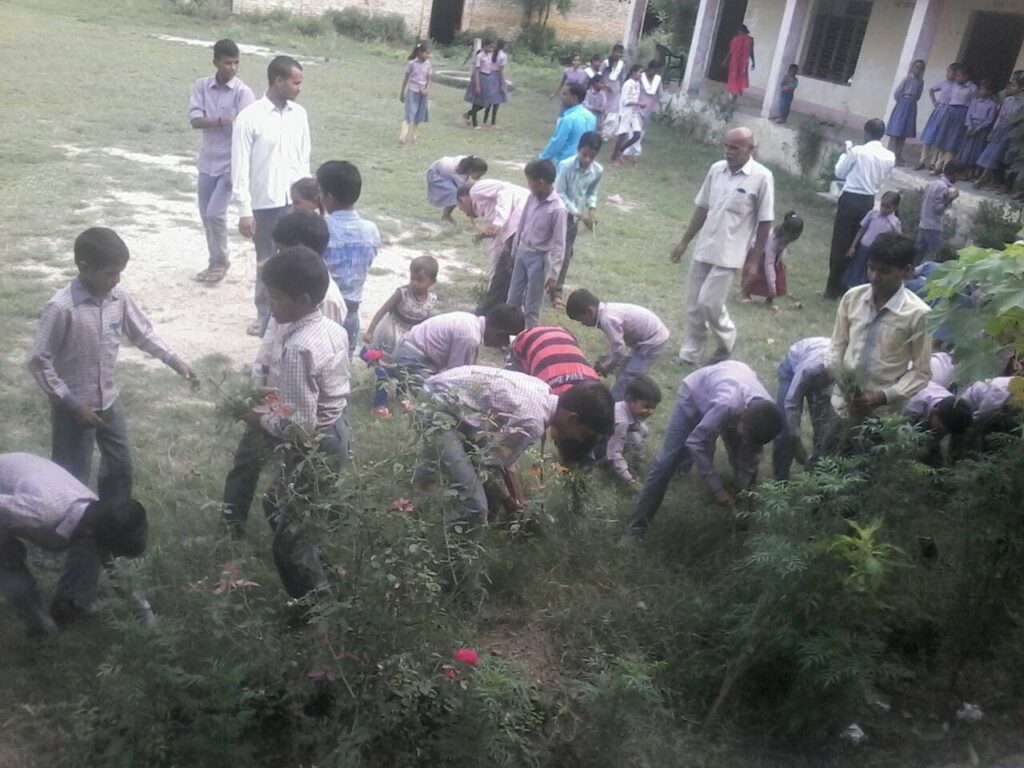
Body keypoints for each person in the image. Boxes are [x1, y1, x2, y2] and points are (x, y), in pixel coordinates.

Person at [28, 228, 198, 503]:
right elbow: (39, 361)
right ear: (85, 268)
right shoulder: (61, 308)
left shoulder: (118, 299)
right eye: (110, 273)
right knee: (72, 475)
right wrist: (72, 404)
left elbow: (143, 334)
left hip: (108, 400)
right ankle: (70, 523)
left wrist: (174, 360)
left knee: (120, 467)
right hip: (73, 410)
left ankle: (113, 518)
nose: (116, 279)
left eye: (120, 273)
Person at [414, 367, 614, 596]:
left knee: (482, 497)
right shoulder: (533, 422)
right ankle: (457, 585)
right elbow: (487, 466)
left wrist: (516, 499)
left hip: (446, 397)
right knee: (476, 508)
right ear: (573, 419)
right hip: (438, 407)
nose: (579, 440)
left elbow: (504, 455)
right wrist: (509, 500)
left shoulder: (544, 393)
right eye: (584, 434)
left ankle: (421, 528)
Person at [232, 246, 351, 598]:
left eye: (275, 297)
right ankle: (320, 563)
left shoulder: (299, 347)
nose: (269, 304)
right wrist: (276, 397)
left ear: (302, 300)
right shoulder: (332, 329)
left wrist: (257, 419)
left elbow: (299, 429)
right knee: (275, 502)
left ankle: (318, 610)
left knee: (288, 546)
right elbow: (318, 389)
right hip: (337, 429)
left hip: (318, 446)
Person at [0, 453, 148, 637]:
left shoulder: (97, 517)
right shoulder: (40, 513)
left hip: (25, 482)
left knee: (90, 553)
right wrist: (5, 542)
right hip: (7, 488)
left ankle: (66, 606)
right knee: (11, 566)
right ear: (89, 536)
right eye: (109, 551)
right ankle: (43, 632)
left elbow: (115, 566)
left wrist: (145, 616)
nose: (111, 558)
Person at [627, 361, 783, 535]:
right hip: (695, 396)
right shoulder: (726, 404)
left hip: (732, 381)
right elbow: (696, 442)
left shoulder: (767, 410)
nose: (745, 440)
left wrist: (746, 483)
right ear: (742, 417)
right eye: (745, 435)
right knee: (667, 462)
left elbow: (751, 455)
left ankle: (741, 519)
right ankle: (637, 527)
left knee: (743, 459)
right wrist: (717, 488)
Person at [671, 127, 774, 365]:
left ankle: (727, 340)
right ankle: (690, 354)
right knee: (694, 305)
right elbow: (702, 207)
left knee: (710, 303)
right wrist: (684, 241)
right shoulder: (716, 170)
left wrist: (754, 261)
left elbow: (765, 221)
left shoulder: (762, 177)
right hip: (705, 246)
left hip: (729, 253)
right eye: (726, 146)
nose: (728, 151)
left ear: (750, 149)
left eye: (735, 148)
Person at [231, 55, 311, 336]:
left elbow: (303, 158)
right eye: (295, 82)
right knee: (266, 262)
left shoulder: (299, 115)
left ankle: (291, 316)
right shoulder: (249, 118)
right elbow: (239, 167)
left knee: (293, 261)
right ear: (278, 81)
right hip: (263, 205)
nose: (300, 88)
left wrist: (308, 200)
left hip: (294, 204)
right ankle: (264, 315)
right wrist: (244, 209)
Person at [826, 233, 931, 426]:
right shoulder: (852, 298)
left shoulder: (918, 314)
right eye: (871, 268)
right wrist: (836, 372)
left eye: (885, 271)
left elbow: (921, 372)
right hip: (841, 405)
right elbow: (838, 344)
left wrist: (883, 396)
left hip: (881, 418)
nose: (875, 277)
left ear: (907, 272)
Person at [250, 211, 348, 397]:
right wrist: (259, 377)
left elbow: (321, 363)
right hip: (276, 391)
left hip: (298, 398)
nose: (278, 257)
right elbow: (271, 339)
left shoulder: (326, 301)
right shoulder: (284, 294)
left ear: (303, 253)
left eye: (282, 251)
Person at [189, 38, 256, 284]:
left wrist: (235, 171)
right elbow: (195, 120)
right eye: (228, 63)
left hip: (230, 165)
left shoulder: (243, 93)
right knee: (206, 216)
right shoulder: (201, 87)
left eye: (236, 63)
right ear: (215, 62)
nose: (232, 68)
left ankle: (221, 260)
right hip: (207, 162)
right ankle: (213, 261)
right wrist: (222, 120)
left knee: (215, 214)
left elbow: (247, 134)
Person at [824, 118, 895, 299]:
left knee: (840, 243)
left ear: (866, 133)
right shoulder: (890, 156)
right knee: (857, 244)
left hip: (850, 198)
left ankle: (832, 288)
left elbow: (840, 172)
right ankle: (846, 285)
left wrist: (845, 154)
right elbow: (883, 178)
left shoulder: (857, 151)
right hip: (868, 200)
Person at [317, 160, 381, 354]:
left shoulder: (321, 228)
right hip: (351, 312)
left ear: (328, 197)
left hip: (322, 312)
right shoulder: (371, 230)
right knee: (343, 364)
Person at [362, 256, 439, 417]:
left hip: (410, 340)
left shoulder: (431, 300)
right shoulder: (402, 293)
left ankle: (402, 398)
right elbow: (382, 311)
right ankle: (379, 404)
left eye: (420, 280)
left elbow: (426, 324)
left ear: (432, 282)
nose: (414, 283)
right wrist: (370, 331)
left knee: (406, 369)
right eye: (412, 278)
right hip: (391, 336)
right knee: (384, 370)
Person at [565, 288, 670, 401]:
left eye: (581, 319)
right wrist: (609, 359)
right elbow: (617, 346)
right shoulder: (607, 311)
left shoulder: (607, 319)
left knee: (628, 376)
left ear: (589, 311)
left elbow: (619, 350)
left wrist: (606, 367)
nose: (582, 324)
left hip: (652, 341)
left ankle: (614, 404)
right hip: (643, 339)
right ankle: (623, 399)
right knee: (623, 372)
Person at [392, 305, 525, 382]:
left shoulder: (471, 321)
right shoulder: (470, 337)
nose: (503, 346)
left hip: (409, 351)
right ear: (498, 333)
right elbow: (456, 377)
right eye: (504, 341)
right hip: (410, 359)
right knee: (438, 399)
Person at [507, 160, 568, 329]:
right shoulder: (531, 198)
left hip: (539, 259)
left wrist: (554, 276)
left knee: (532, 305)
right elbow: (521, 225)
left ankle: (530, 336)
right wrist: (513, 253)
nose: (528, 185)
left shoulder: (558, 209)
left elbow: (559, 245)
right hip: (521, 252)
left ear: (539, 182)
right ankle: (509, 333)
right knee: (512, 299)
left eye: (530, 181)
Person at [456, 179, 531, 315]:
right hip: (520, 227)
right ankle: (501, 311)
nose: (464, 212)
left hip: (524, 219)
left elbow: (505, 189)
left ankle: (487, 313)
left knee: (504, 275)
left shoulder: (476, 190)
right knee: (507, 273)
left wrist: (498, 222)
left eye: (461, 208)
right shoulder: (489, 207)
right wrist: (493, 272)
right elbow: (497, 245)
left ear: (462, 200)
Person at [551, 131, 604, 308]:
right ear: (578, 149)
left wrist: (592, 209)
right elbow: (559, 193)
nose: (587, 159)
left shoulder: (597, 170)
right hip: (557, 214)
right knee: (549, 251)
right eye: (585, 154)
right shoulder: (565, 165)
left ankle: (556, 291)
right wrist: (579, 214)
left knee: (566, 255)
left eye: (592, 156)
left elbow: (592, 192)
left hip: (573, 220)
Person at [772, 336, 833, 481]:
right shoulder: (810, 369)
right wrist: (795, 440)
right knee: (785, 429)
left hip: (822, 367)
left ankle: (815, 474)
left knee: (823, 427)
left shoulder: (847, 370)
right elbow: (792, 402)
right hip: (793, 369)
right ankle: (780, 482)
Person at [602, 375, 661, 484]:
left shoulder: (627, 408)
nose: (650, 412)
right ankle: (604, 463)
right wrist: (628, 478)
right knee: (635, 438)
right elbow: (614, 452)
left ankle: (630, 456)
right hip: (602, 445)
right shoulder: (621, 422)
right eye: (646, 406)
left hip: (612, 437)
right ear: (628, 399)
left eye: (653, 407)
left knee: (643, 429)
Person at [508, 325, 599, 394]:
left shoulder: (598, 389)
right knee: (514, 386)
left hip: (563, 333)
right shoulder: (550, 394)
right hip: (525, 339)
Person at [740, 210, 804, 309]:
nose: (792, 240)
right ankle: (745, 293)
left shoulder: (784, 237)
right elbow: (768, 264)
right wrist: (772, 287)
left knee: (779, 271)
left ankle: (769, 298)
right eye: (791, 237)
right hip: (757, 253)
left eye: (795, 237)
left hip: (768, 256)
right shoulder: (773, 240)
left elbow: (780, 252)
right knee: (759, 274)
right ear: (784, 231)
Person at [842, 191, 901, 291]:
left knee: (870, 273)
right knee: (857, 270)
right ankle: (851, 290)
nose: (884, 209)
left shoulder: (895, 222)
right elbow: (862, 229)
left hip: (878, 252)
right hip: (864, 248)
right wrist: (853, 246)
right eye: (882, 205)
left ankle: (865, 291)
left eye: (888, 207)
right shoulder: (872, 214)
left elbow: (897, 238)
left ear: (895, 208)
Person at [903, 382, 973, 466]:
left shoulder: (953, 406)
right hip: (909, 397)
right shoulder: (913, 407)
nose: (943, 434)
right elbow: (904, 437)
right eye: (942, 430)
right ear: (935, 412)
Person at [976, 75, 1023, 190]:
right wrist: (994, 130)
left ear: (1021, 87)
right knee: (991, 153)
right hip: (1001, 129)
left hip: (1013, 130)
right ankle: (985, 179)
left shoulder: (1022, 102)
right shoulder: (1008, 100)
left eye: (1014, 85)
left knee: (1000, 157)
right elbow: (1000, 116)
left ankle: (989, 180)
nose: (1010, 88)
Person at [932, 66, 977, 175]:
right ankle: (938, 166)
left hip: (961, 113)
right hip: (950, 111)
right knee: (943, 139)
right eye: (956, 76)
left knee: (952, 142)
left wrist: (968, 122)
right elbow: (949, 99)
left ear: (966, 76)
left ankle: (946, 169)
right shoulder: (955, 85)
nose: (956, 78)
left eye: (959, 76)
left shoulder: (972, 88)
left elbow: (973, 105)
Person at [917, 160, 962, 263]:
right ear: (955, 174)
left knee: (919, 254)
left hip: (924, 222)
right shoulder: (943, 187)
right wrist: (950, 198)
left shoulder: (935, 183)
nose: (959, 178)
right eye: (959, 175)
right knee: (940, 256)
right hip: (932, 226)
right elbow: (937, 210)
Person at [540, 83, 597, 164]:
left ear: (574, 98)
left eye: (565, 94)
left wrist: (543, 158)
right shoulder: (591, 117)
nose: (561, 97)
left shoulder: (568, 119)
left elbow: (558, 142)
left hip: (565, 162)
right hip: (582, 161)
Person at [916, 64, 957, 172]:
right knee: (929, 135)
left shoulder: (957, 86)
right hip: (939, 110)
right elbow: (931, 90)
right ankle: (922, 160)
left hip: (949, 112)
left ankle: (933, 162)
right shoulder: (944, 83)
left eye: (951, 72)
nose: (948, 74)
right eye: (948, 72)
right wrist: (934, 101)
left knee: (940, 137)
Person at [885, 59, 925, 166]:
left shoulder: (921, 82)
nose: (918, 70)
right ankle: (891, 154)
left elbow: (918, 95)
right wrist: (903, 101)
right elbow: (897, 93)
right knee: (897, 130)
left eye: (921, 68)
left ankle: (898, 154)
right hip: (903, 103)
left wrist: (911, 101)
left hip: (912, 105)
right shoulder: (907, 79)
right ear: (912, 68)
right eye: (916, 67)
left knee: (904, 132)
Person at [426, 155, 488, 223]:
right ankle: (446, 216)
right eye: (479, 175)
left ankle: (446, 216)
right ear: (471, 171)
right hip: (435, 174)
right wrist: (471, 211)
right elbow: (464, 193)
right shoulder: (460, 175)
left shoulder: (468, 162)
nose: (479, 178)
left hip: (442, 171)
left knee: (457, 194)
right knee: (456, 194)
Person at [956, 80, 997, 178]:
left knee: (975, 151)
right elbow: (969, 114)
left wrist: (978, 129)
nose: (981, 91)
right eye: (980, 89)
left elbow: (989, 119)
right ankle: (963, 171)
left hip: (981, 129)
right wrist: (970, 126)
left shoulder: (992, 104)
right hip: (971, 126)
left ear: (990, 91)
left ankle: (971, 172)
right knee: (966, 149)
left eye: (984, 89)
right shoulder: (975, 101)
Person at [610, 65, 644, 165]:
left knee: (637, 134)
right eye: (639, 72)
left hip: (633, 113)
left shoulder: (637, 84)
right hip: (625, 112)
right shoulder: (627, 84)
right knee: (622, 135)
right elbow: (625, 101)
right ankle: (614, 157)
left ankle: (620, 150)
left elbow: (634, 98)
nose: (641, 74)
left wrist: (638, 105)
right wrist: (639, 103)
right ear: (633, 72)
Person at [399, 42, 432, 145]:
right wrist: (402, 92)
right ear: (420, 52)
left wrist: (427, 89)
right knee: (410, 114)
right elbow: (406, 78)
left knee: (419, 115)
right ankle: (404, 136)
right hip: (413, 91)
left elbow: (429, 79)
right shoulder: (412, 63)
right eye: (425, 53)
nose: (427, 55)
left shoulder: (428, 64)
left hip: (423, 93)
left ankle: (413, 135)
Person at [463, 39, 494, 129]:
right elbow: (477, 70)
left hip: (487, 78)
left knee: (486, 102)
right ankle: (474, 123)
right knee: (477, 101)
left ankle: (468, 114)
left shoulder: (490, 56)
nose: (491, 49)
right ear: (484, 46)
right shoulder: (480, 56)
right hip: (480, 77)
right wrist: (477, 85)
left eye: (492, 47)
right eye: (489, 47)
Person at [482, 40, 509, 128]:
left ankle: (485, 121)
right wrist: (503, 82)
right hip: (497, 77)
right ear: (504, 46)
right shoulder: (503, 56)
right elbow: (501, 71)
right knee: (497, 101)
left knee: (489, 100)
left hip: (490, 75)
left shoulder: (492, 53)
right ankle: (493, 123)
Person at [723, 25, 754, 101]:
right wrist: (725, 60)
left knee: (738, 78)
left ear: (742, 30)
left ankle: (734, 95)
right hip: (738, 62)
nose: (738, 32)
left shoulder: (749, 40)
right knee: (735, 77)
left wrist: (753, 62)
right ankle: (733, 95)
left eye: (739, 30)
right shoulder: (737, 39)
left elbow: (751, 51)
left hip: (740, 62)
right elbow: (731, 50)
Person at [601, 44, 628, 117]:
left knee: (612, 112)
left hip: (615, 90)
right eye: (618, 52)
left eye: (621, 53)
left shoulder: (622, 64)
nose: (619, 55)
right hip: (605, 88)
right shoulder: (606, 62)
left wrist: (620, 89)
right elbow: (599, 76)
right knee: (603, 107)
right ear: (613, 52)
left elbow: (622, 78)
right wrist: (605, 85)